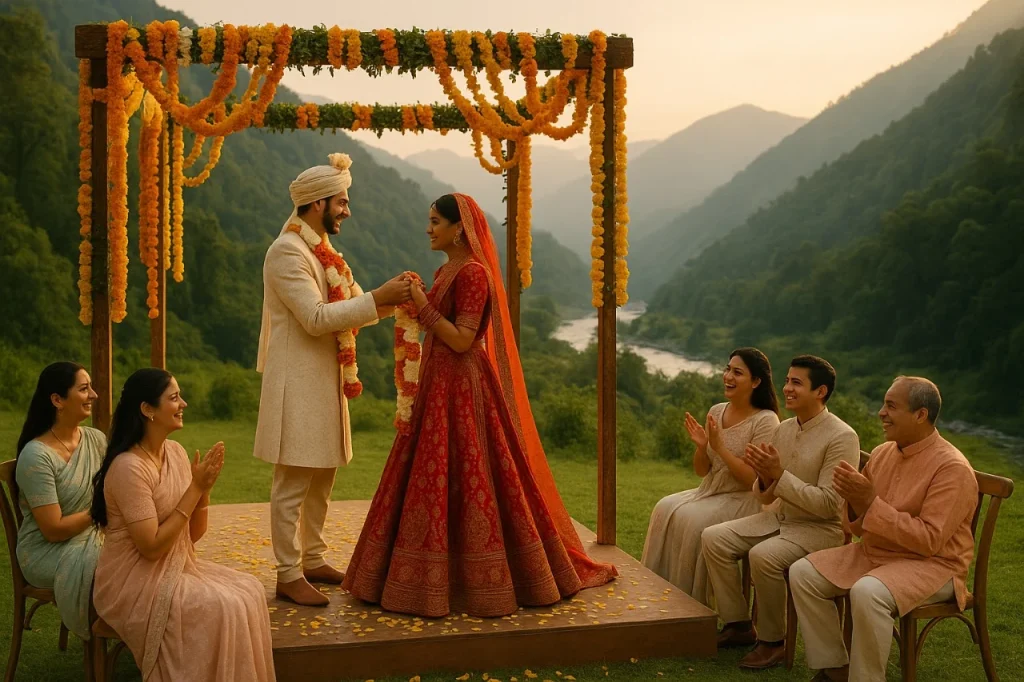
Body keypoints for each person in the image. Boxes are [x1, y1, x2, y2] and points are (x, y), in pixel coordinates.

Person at [343, 193, 618, 617]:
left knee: (472, 475)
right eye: (429, 221)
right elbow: (440, 326)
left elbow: (462, 339)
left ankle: (480, 579)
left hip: (463, 385)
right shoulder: (448, 268)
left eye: (436, 221)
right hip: (438, 382)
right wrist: (416, 296)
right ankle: (423, 576)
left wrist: (420, 303)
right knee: (432, 474)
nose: (429, 229)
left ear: (460, 228)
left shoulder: (472, 273)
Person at [254, 153, 412, 606]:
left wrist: (397, 298)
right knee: (293, 483)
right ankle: (287, 573)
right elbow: (317, 317)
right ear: (318, 203)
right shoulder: (287, 252)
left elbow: (358, 306)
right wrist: (379, 298)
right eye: (341, 202)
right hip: (296, 383)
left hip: (323, 383)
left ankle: (313, 558)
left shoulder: (325, 252)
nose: (347, 210)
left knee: (323, 476)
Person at [92, 369, 275, 682]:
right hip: (132, 581)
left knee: (250, 590)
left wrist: (204, 489)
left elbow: (193, 534)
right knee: (223, 606)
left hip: (177, 565)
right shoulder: (128, 469)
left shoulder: (174, 453)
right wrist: (194, 488)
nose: (184, 404)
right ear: (147, 409)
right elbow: (150, 548)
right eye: (174, 398)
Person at [790, 377, 978, 682]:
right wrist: (854, 501)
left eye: (891, 406)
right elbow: (858, 522)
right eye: (883, 404)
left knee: (868, 591)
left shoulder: (952, 467)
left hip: (935, 566)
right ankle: (835, 669)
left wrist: (869, 502)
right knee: (803, 573)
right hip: (877, 554)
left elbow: (930, 540)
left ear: (920, 415)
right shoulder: (883, 453)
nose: (881, 412)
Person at [701, 355, 860, 670]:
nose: (786, 388)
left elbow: (830, 505)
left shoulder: (842, 436)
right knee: (713, 537)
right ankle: (739, 625)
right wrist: (766, 476)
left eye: (796, 383)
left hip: (819, 530)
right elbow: (764, 492)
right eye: (787, 380)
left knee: (764, 555)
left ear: (821, 392)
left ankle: (773, 642)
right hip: (777, 517)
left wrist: (779, 475)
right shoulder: (785, 428)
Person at [641, 348, 780, 605]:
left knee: (693, 520)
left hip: (746, 499)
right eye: (727, 369)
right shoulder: (716, 411)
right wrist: (701, 447)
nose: (728, 376)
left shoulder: (765, 420)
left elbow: (752, 480)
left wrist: (720, 448)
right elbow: (702, 471)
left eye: (737, 372)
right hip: (710, 490)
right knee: (664, 507)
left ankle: (688, 607)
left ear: (756, 381)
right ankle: (656, 596)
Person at [13, 362, 104, 640]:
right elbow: (52, 530)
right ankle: (111, 640)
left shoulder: (96, 440)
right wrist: (100, 511)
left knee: (140, 547)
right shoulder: (36, 456)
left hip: (92, 536)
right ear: (57, 400)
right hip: (45, 551)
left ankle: (137, 635)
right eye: (84, 389)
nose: (94, 395)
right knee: (122, 561)